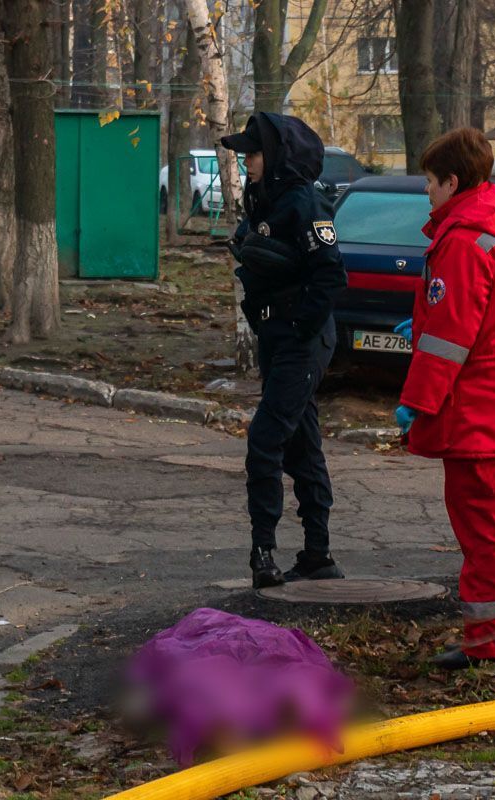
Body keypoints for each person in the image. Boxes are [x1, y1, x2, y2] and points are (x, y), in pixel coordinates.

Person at [395, 127, 495, 669]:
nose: (427, 193)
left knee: (483, 533)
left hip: (480, 413)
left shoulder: (464, 240)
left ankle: (493, 650)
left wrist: (417, 401)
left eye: (431, 183)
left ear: (453, 181)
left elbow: (450, 340)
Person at [220, 113, 348, 588]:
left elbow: (331, 274)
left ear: (273, 157)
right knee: (301, 443)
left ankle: (263, 555)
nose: (246, 162)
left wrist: (298, 326)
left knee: (265, 439)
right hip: (277, 339)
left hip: (303, 340)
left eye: (251, 154)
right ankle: (318, 553)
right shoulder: (261, 200)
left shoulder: (303, 202)